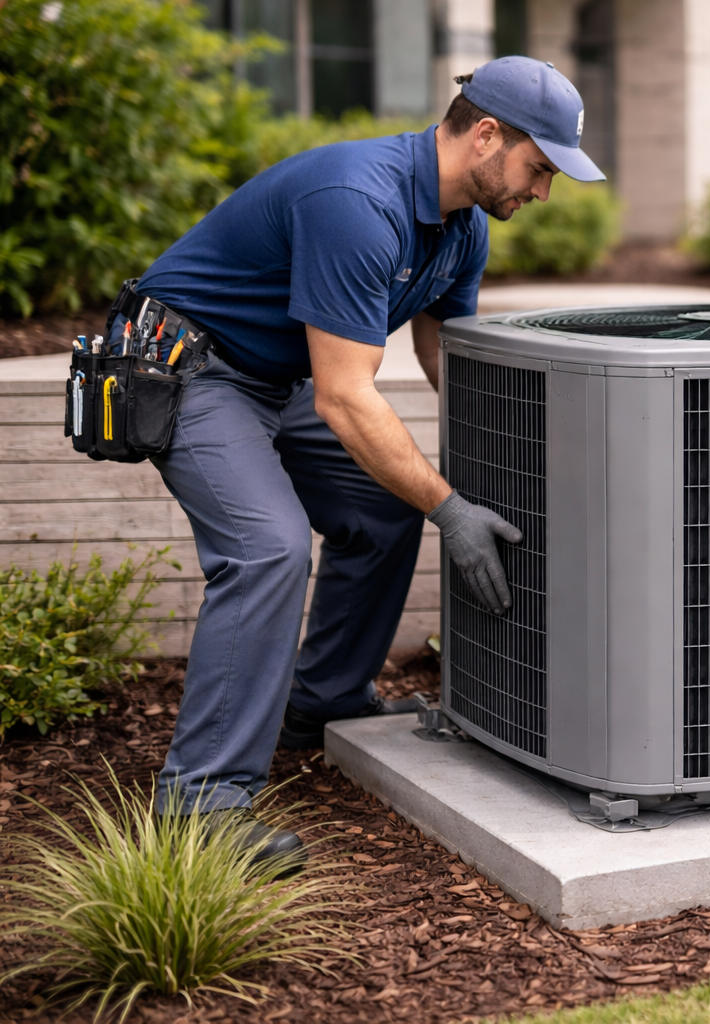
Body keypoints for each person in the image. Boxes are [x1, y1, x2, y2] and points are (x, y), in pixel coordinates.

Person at [128, 57, 604, 865]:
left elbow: (442, 356)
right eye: (540, 167)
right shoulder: (359, 202)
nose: (543, 192)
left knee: (384, 506)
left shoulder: (464, 226)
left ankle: (322, 702)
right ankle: (200, 802)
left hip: (272, 378)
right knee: (267, 546)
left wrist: (519, 465)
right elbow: (347, 399)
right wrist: (451, 509)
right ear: (486, 135)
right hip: (186, 367)